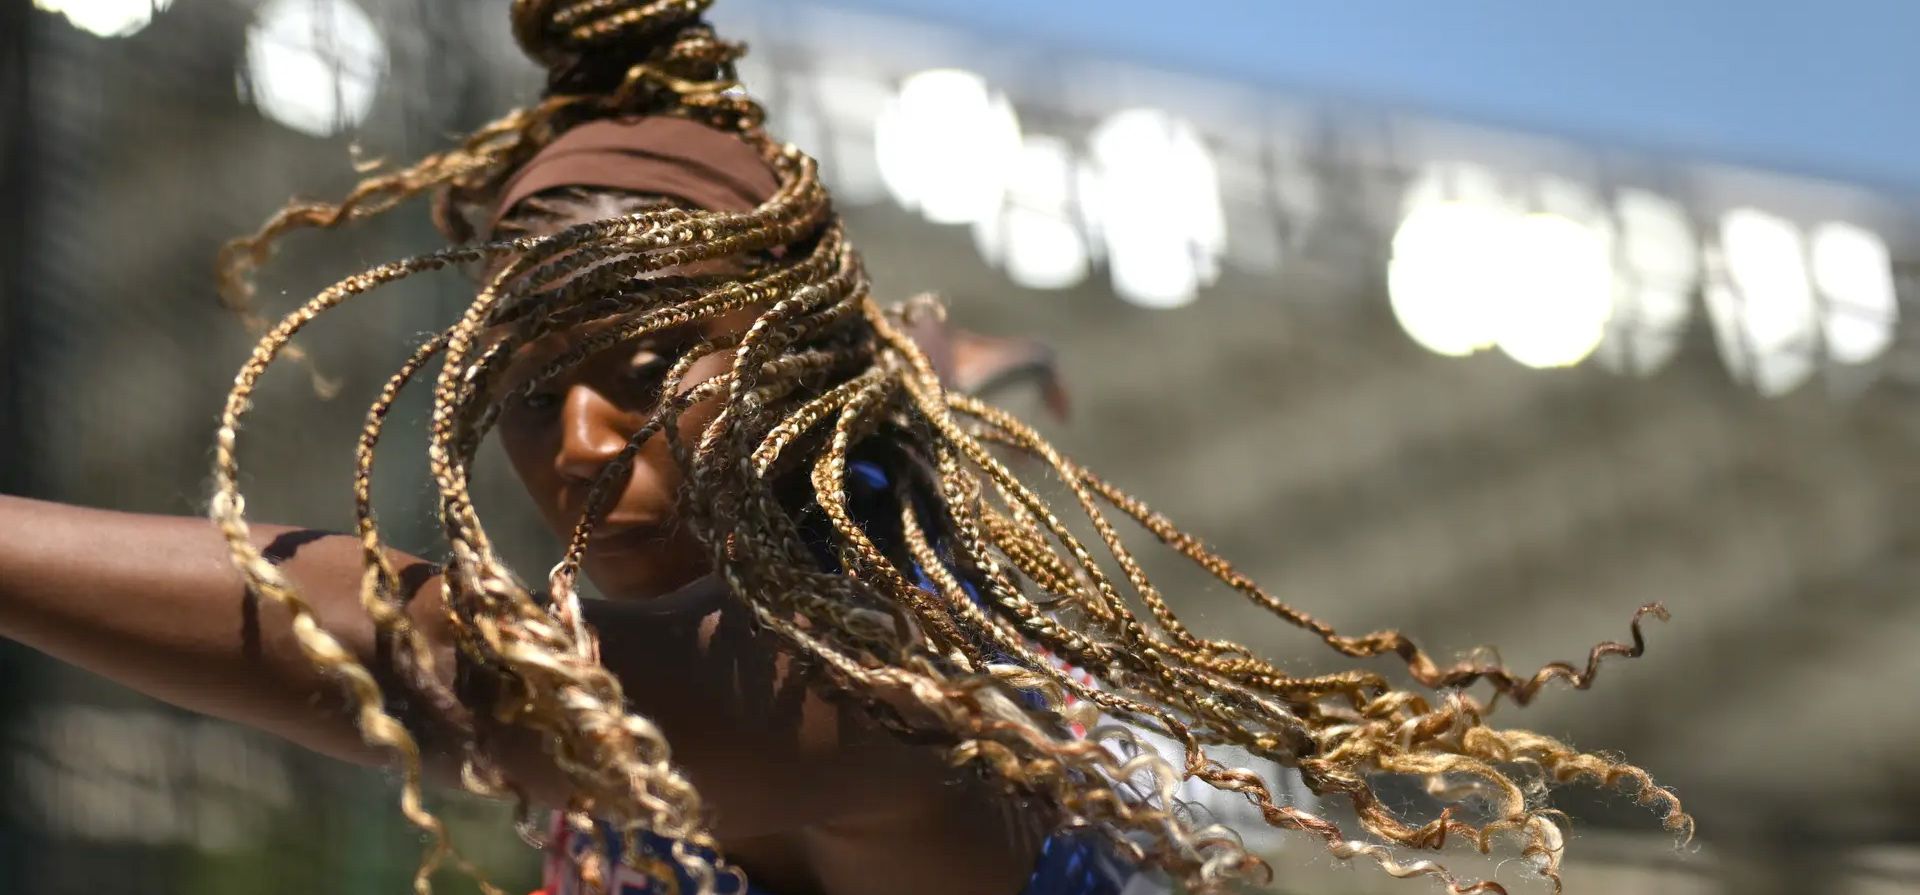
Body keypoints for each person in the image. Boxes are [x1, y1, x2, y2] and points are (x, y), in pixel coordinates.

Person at [0, 2, 1692, 894]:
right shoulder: (828, 470)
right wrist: (961, 365)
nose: (582, 448)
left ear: (797, 359)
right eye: (531, 395)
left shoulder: (876, 712)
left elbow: (418, 653)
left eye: (647, 370)